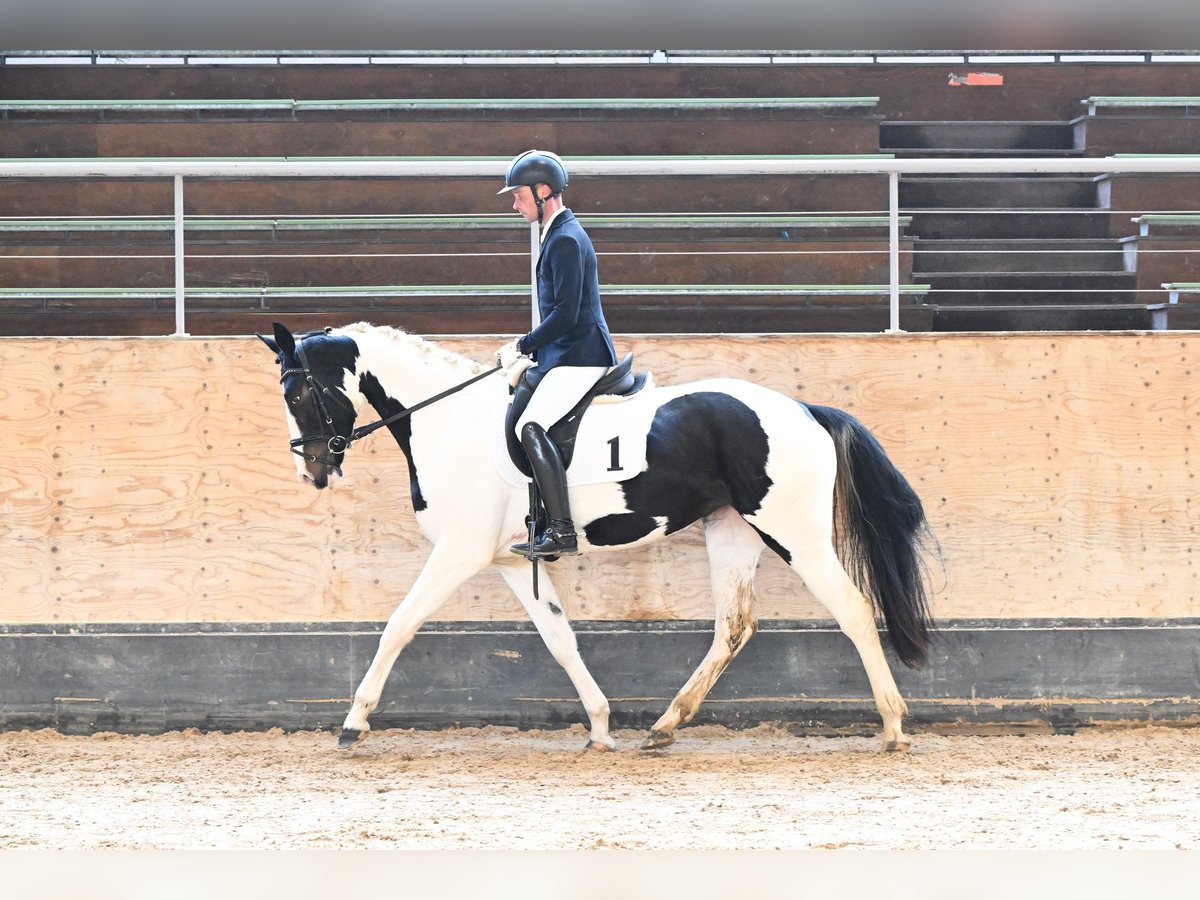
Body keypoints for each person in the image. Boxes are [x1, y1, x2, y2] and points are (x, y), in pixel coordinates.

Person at [495, 149, 618, 558]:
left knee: (531, 426)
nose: (515, 205)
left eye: (519, 197)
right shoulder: (555, 232)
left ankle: (562, 530)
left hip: (582, 353)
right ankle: (542, 520)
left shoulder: (565, 239)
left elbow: (565, 315)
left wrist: (523, 345)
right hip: (566, 352)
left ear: (543, 191)